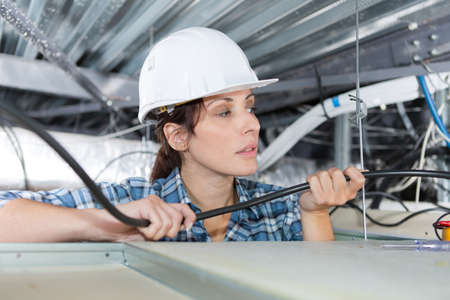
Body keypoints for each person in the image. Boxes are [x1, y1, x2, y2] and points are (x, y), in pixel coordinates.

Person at [0, 27, 364, 243]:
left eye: (249, 106)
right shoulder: (135, 200)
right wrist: (112, 223)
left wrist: (316, 214)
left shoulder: (284, 207)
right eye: (224, 111)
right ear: (177, 136)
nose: (251, 124)